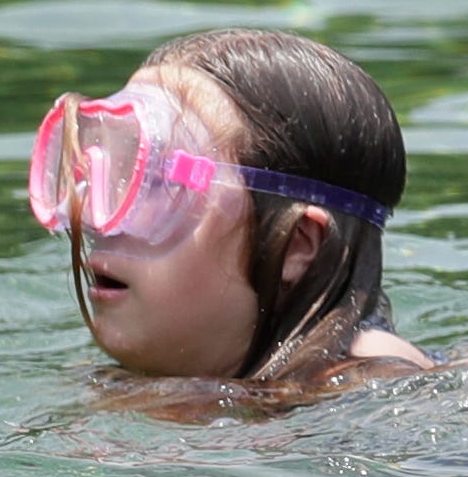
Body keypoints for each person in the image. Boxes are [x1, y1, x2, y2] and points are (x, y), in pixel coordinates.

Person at [24, 27, 424, 393]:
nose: (99, 221)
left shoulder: (374, 384)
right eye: (119, 173)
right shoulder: (142, 382)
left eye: (162, 182)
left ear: (297, 245)